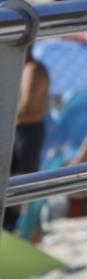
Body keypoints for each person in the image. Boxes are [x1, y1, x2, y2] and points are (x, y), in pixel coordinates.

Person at [3, 44, 49, 231]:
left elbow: (27, 109)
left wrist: (6, 117)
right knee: (20, 181)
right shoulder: (32, 68)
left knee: (20, 181)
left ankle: (18, 227)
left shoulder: (31, 68)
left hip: (26, 130)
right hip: (27, 130)